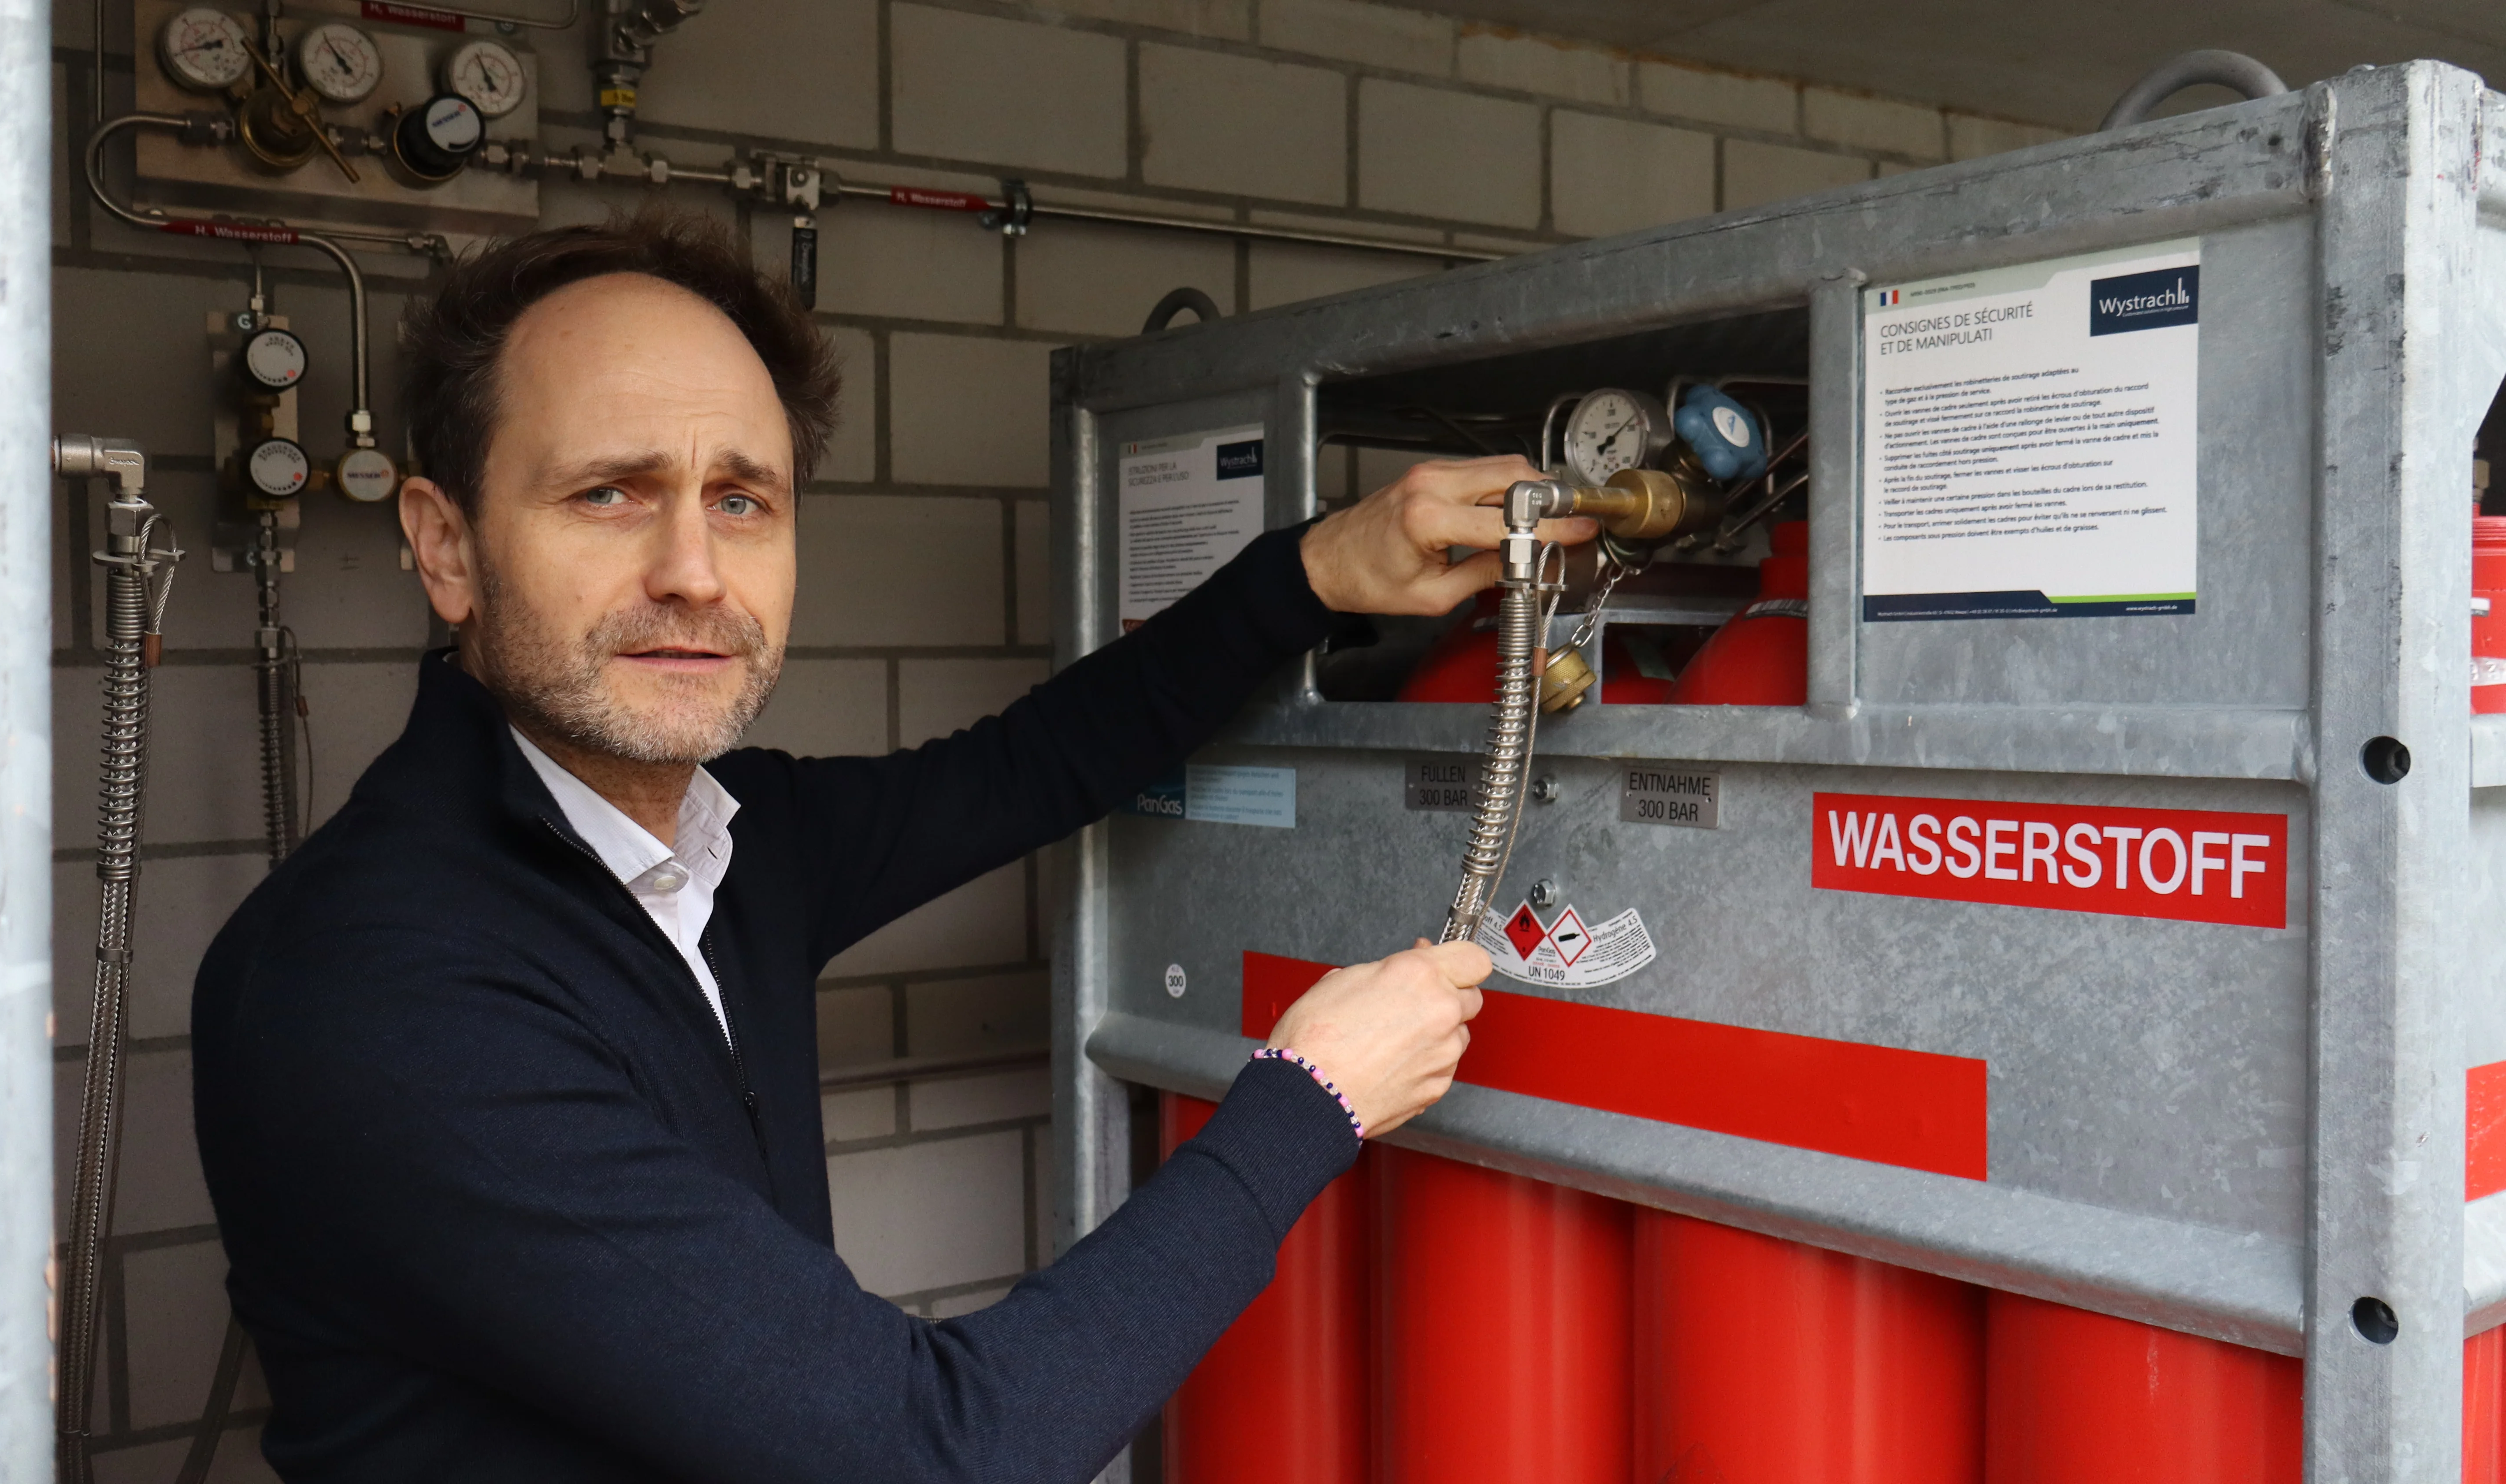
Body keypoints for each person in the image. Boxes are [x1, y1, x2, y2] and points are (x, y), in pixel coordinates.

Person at [191, 208, 1593, 1482]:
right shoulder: (378, 993)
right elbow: (938, 1456)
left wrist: (1316, 571)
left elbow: (1032, 765)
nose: (692, 568)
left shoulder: (725, 844)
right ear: (445, 547)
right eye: (608, 493)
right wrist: (1311, 1098)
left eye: (742, 499)